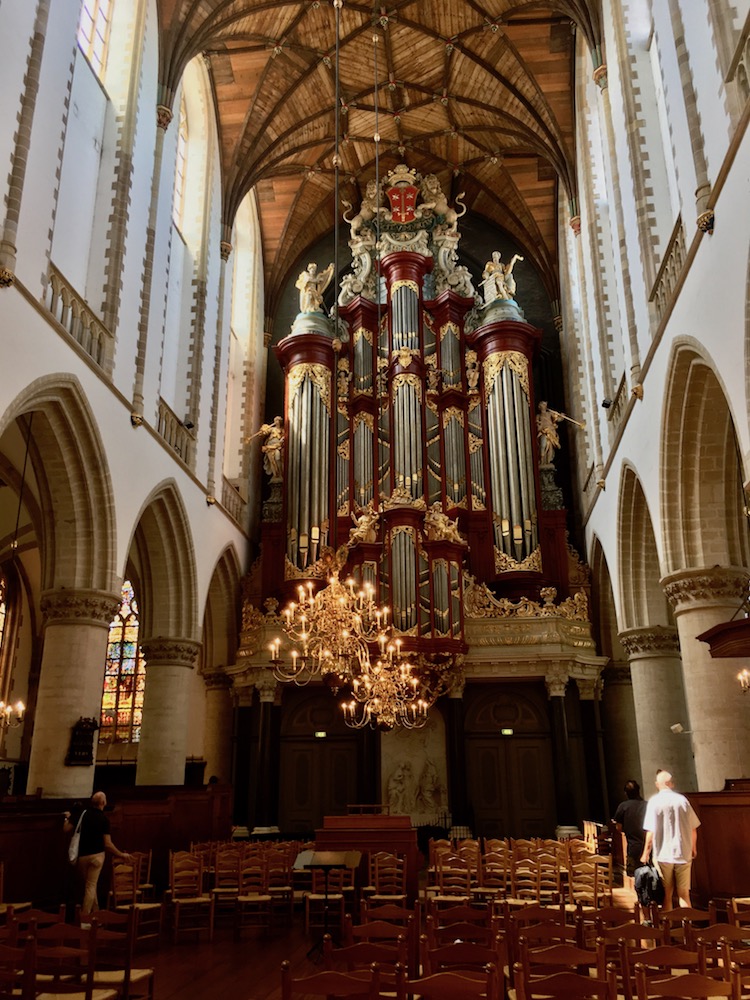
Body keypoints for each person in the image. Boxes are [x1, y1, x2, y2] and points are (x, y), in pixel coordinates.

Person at [64, 790, 133, 914]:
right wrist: (121, 854)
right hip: (97, 856)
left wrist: (67, 817)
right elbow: (107, 843)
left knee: (90, 885)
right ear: (103, 802)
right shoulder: (104, 819)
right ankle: (85, 919)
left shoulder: (82, 814)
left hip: (82, 856)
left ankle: (96, 914)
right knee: (90, 887)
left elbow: (66, 829)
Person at [640, 770, 700, 908]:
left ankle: (669, 926)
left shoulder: (654, 802)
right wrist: (693, 848)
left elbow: (651, 831)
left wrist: (645, 853)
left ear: (657, 784)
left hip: (663, 854)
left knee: (667, 894)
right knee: (684, 893)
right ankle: (687, 926)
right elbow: (693, 829)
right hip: (683, 852)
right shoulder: (683, 800)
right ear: (671, 784)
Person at [613, 779, 647, 884]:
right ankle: (649, 896)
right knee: (649, 870)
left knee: (634, 872)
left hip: (632, 844)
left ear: (625, 793)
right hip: (648, 843)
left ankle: (639, 896)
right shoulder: (647, 805)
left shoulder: (623, 806)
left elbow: (618, 827)